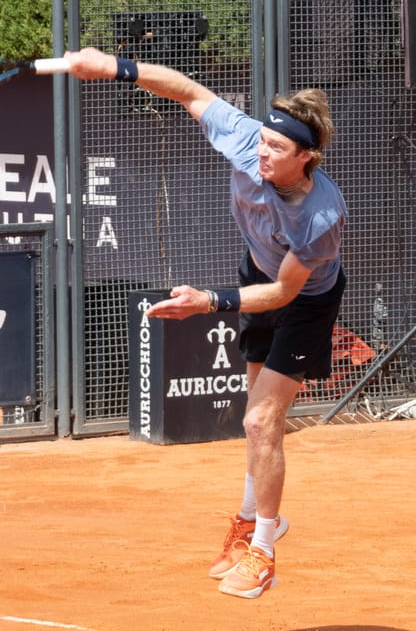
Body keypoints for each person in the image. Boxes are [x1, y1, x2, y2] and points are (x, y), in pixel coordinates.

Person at [64, 47, 347, 599]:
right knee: (253, 417)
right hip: (256, 273)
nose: (263, 152)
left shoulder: (321, 216)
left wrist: (209, 302)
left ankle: (263, 549)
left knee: (263, 422)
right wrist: (113, 68)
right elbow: (187, 90)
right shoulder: (247, 138)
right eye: (263, 141)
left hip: (304, 300)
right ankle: (250, 520)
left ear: (307, 158)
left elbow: (286, 292)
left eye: (278, 148)